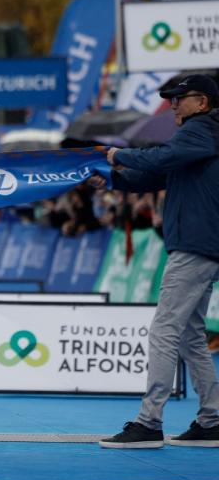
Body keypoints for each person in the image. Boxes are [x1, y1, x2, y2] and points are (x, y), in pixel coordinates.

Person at [93, 74, 219, 449]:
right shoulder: (200, 138)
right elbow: (158, 174)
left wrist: (119, 155)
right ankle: (212, 418)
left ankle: (149, 422)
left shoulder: (202, 130)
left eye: (180, 98)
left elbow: (160, 158)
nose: (172, 104)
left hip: (195, 246)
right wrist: (114, 180)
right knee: (191, 335)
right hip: (201, 243)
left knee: (164, 330)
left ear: (204, 102)